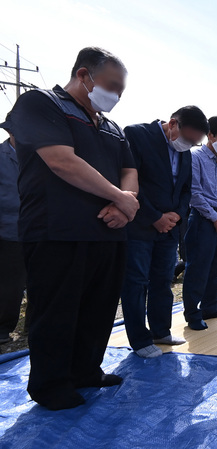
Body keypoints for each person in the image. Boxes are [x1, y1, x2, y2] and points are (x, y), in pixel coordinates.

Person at [11, 47, 139, 410]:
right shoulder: (41, 103)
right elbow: (61, 161)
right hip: (58, 231)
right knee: (56, 311)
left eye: (121, 90)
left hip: (108, 232)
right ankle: (51, 385)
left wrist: (124, 204)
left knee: (98, 308)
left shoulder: (110, 126)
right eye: (112, 86)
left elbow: (129, 170)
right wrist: (121, 198)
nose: (116, 95)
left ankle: (86, 370)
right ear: (84, 75)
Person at [121, 106, 209, 357]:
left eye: (194, 143)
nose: (189, 145)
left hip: (169, 228)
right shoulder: (137, 135)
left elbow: (185, 189)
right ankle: (139, 340)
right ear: (173, 124)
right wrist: (154, 216)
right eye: (188, 139)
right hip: (139, 224)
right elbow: (130, 180)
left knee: (163, 280)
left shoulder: (187, 153)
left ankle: (160, 330)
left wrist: (178, 215)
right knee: (136, 282)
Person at [182, 116, 217, 330]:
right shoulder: (195, 157)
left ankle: (210, 307)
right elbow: (194, 194)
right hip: (203, 219)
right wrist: (215, 218)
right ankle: (192, 314)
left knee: (216, 267)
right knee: (198, 268)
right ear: (211, 135)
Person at [0, 113, 25, 345]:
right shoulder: (1, 156)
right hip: (9, 230)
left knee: (42, 281)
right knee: (10, 284)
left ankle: (33, 326)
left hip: (40, 229)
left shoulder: (42, 156)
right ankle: (3, 328)